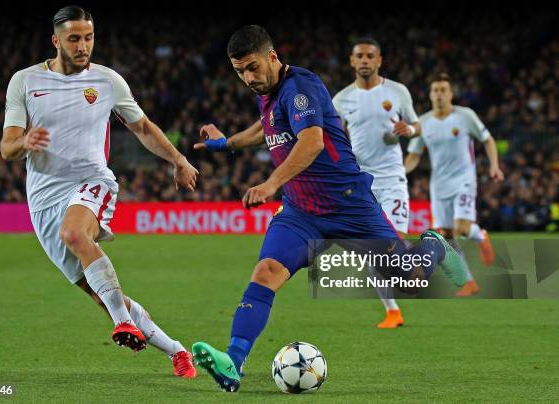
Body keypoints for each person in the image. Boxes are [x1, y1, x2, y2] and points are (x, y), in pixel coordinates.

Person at [190, 25, 468, 392]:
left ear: (272, 57)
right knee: (265, 273)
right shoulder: (270, 93)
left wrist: (271, 183)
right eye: (240, 71)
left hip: (349, 207)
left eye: (253, 67)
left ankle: (433, 244)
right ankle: (233, 362)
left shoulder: (300, 87)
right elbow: (266, 126)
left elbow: (312, 142)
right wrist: (227, 143)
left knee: (411, 279)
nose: (248, 78)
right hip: (301, 213)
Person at [0, 6, 198, 377]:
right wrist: (25, 140)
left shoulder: (108, 82)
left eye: (88, 37)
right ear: (55, 41)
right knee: (101, 295)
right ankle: (177, 350)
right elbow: (6, 148)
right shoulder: (24, 82)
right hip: (43, 199)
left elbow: (143, 128)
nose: (83, 46)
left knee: (75, 233)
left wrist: (178, 160)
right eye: (74, 38)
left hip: (92, 181)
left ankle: (123, 323)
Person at [333, 37, 420, 328]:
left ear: (379, 60)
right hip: (361, 184)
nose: (365, 60)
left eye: (371, 55)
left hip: (392, 178)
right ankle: (392, 312)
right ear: (352, 61)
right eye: (360, 56)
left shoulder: (397, 91)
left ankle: (435, 250)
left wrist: (407, 128)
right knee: (374, 252)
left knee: (393, 248)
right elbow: (333, 138)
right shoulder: (341, 99)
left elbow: (417, 125)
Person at [405, 73, 504, 296]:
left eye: (443, 90)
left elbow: (487, 139)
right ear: (430, 95)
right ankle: (469, 282)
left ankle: (480, 235)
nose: (439, 94)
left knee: (461, 228)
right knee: (447, 236)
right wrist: (400, 172)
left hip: (464, 180)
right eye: (435, 90)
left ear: (451, 94)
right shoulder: (424, 123)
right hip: (439, 186)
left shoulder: (465, 116)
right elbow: (414, 155)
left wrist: (494, 166)